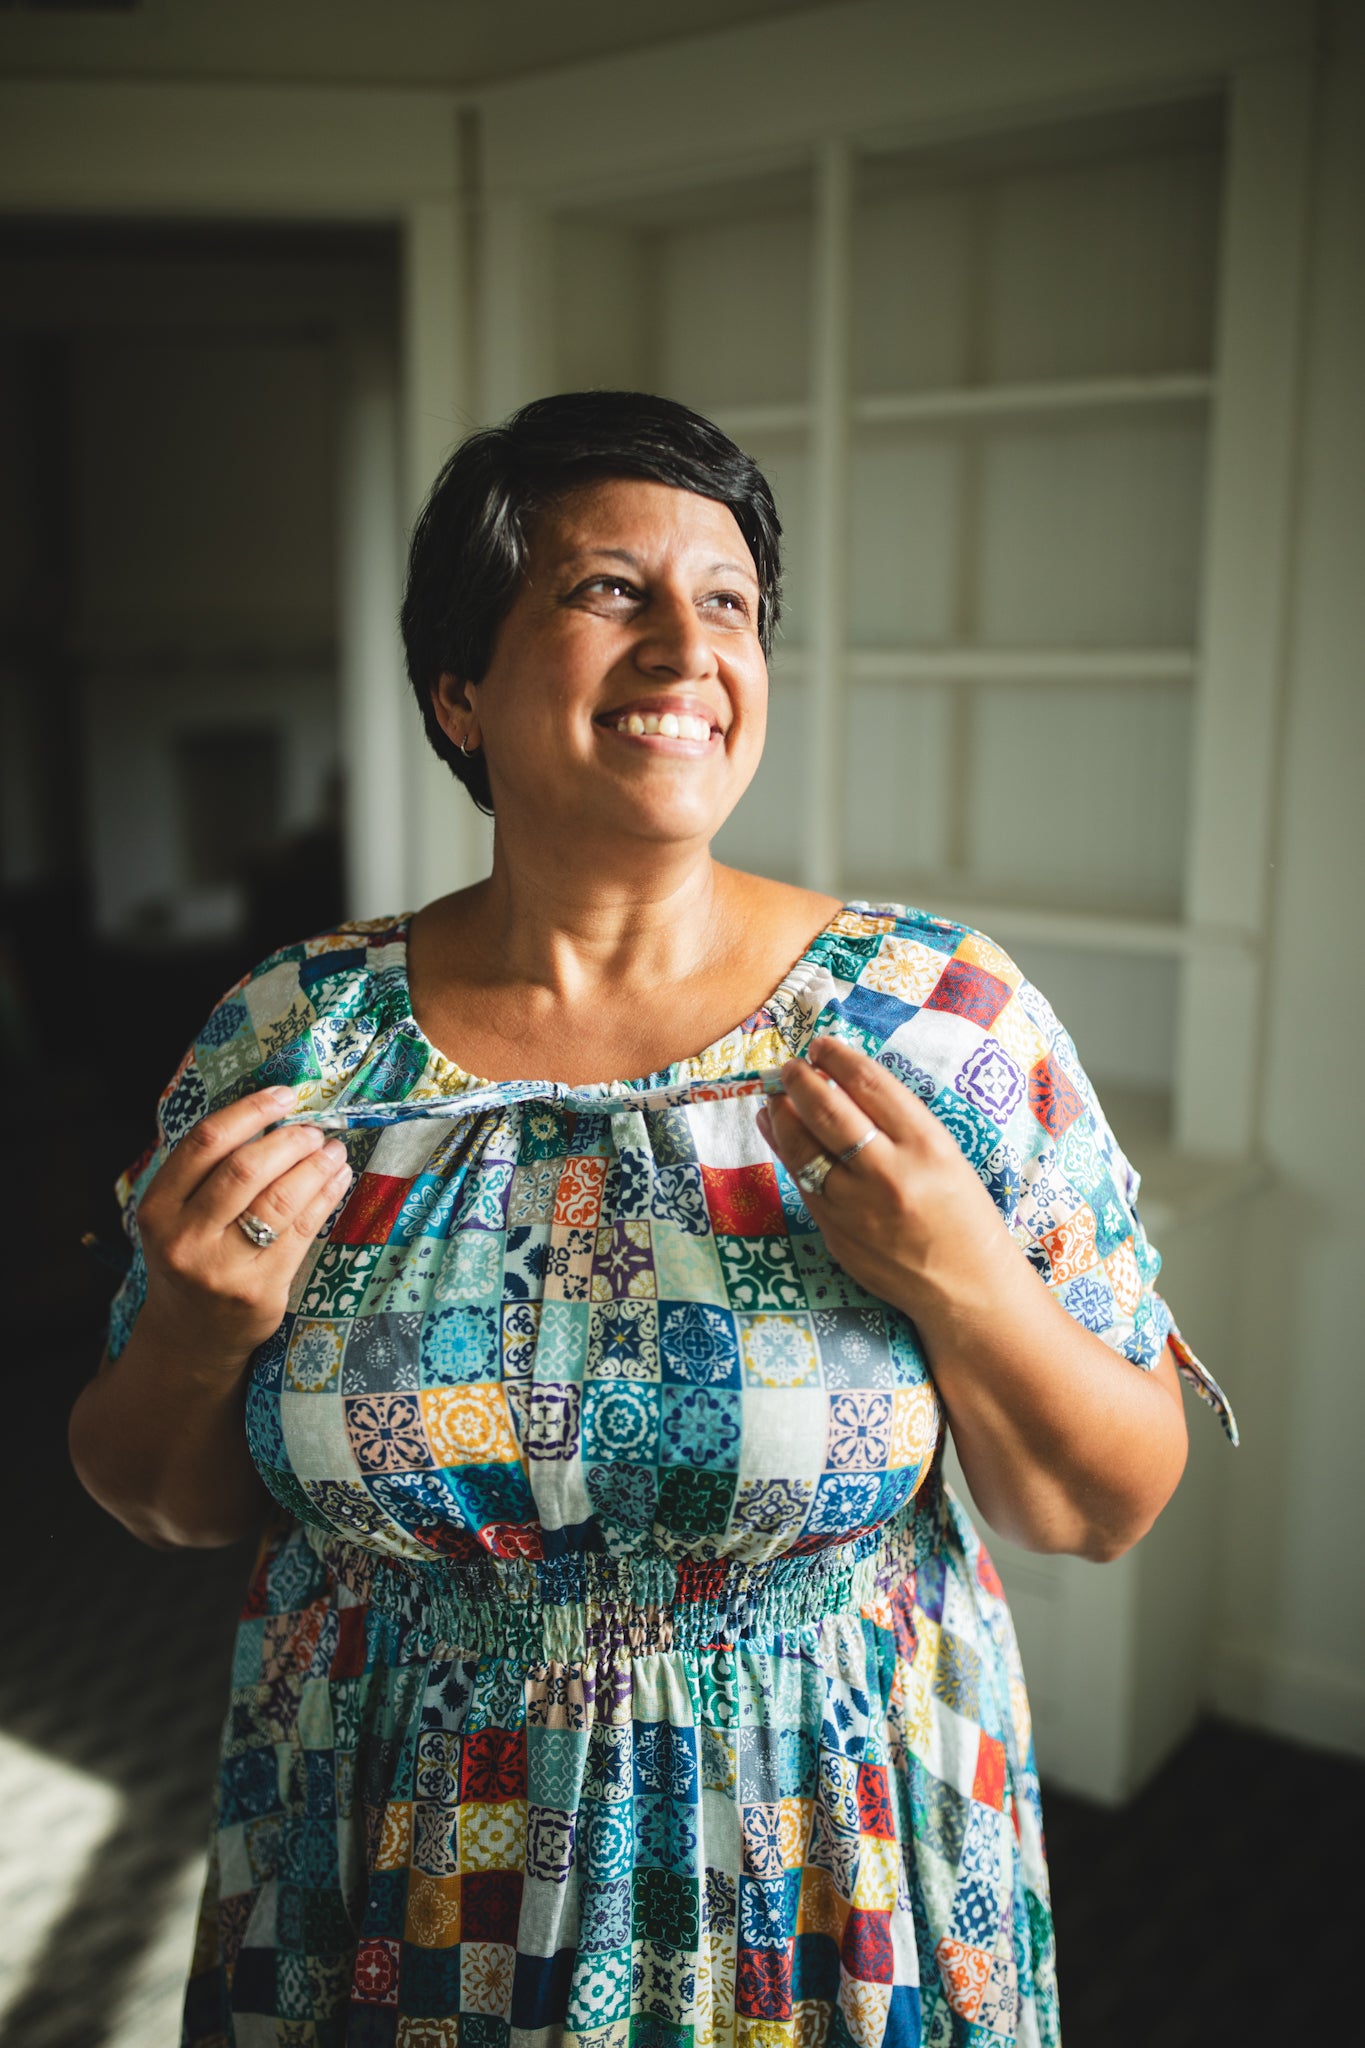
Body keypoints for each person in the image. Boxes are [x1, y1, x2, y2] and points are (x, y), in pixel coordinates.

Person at [70, 391, 1235, 2048]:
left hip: (825, 1866)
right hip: (390, 1864)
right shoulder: (297, 1039)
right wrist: (195, 1330)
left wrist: (966, 1283)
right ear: (455, 689)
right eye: (609, 589)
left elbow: (1103, 1505)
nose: (689, 648)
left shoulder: (936, 1020)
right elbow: (162, 1499)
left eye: (733, 604)